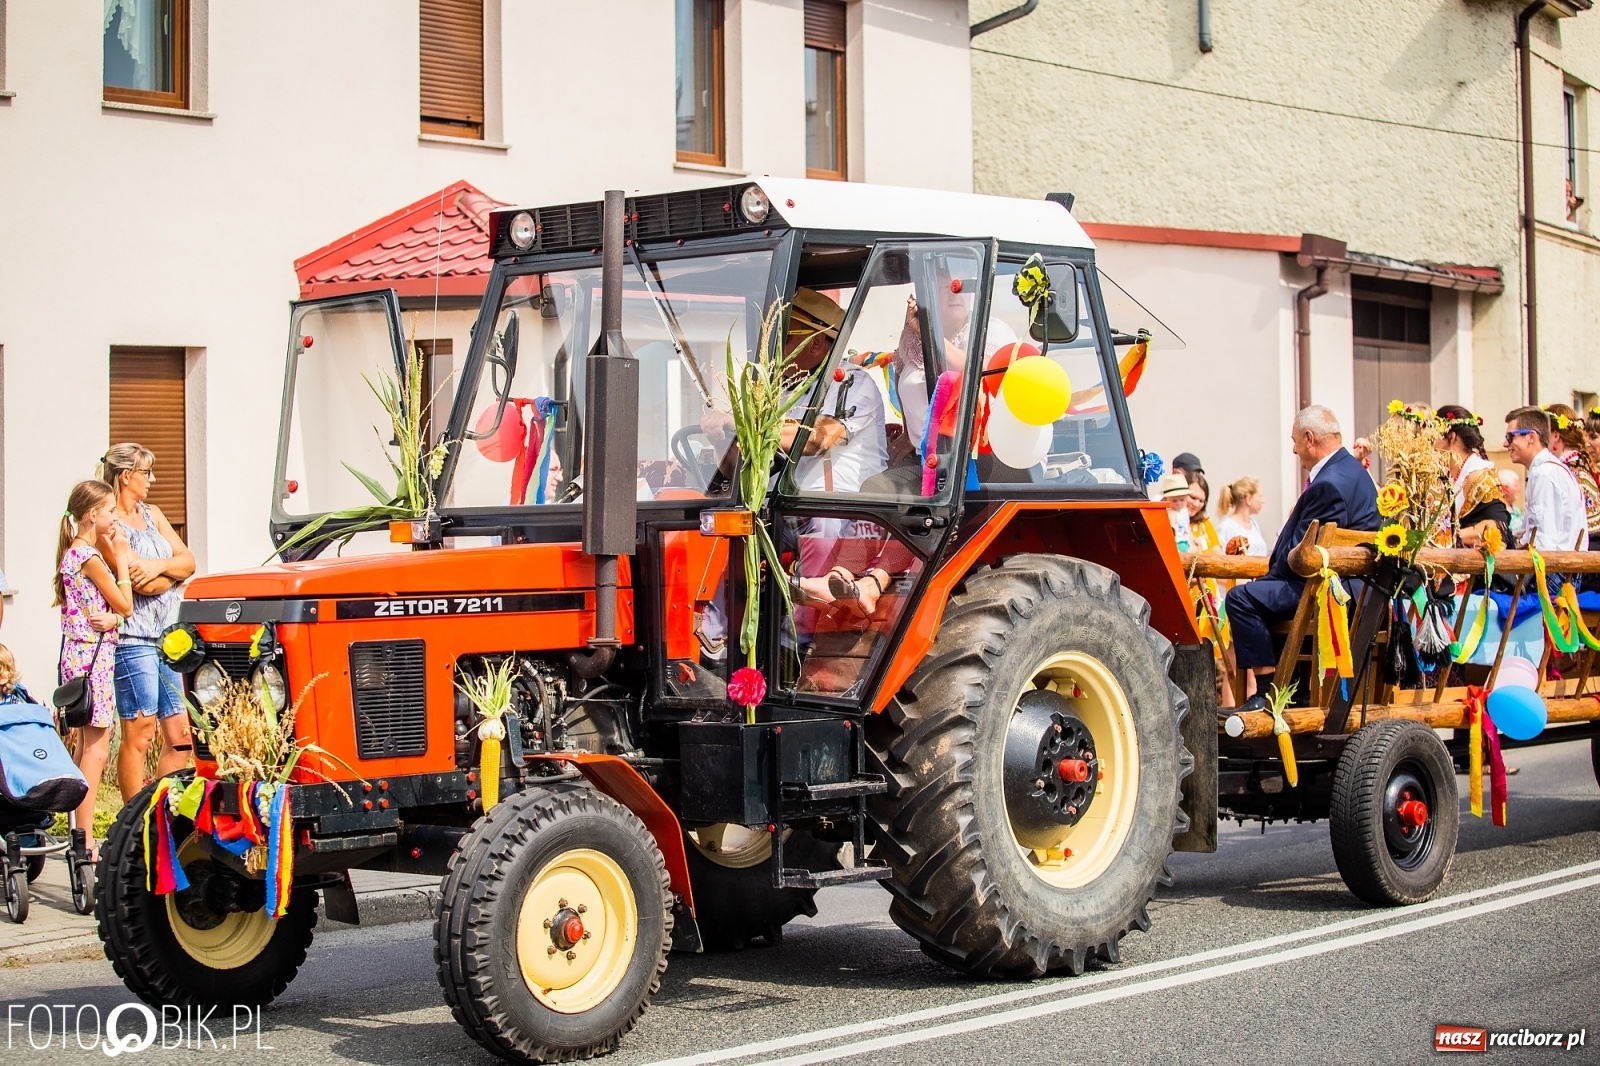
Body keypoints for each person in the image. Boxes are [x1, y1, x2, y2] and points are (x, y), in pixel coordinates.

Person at [1227, 406, 1379, 710]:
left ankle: (1270, 692)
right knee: (1261, 593)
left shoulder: (1329, 483)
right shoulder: (1354, 472)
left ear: (1310, 438)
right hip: (1354, 589)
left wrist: (1269, 577)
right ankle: (1295, 689)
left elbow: (1302, 556)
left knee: (1241, 599)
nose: (1294, 450)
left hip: (1330, 593)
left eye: (1295, 441)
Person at [101, 444, 196, 795]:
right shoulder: (108, 524)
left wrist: (160, 569)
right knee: (140, 732)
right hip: (133, 638)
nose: (152, 480)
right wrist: (169, 576)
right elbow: (134, 580)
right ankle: (133, 823)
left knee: (182, 734)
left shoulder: (153, 513)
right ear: (126, 476)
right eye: (146, 473)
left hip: (169, 636)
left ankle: (161, 813)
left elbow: (188, 561)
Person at [57, 479, 135, 860]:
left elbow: (109, 614)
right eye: (107, 511)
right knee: (97, 749)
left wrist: (111, 619)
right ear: (92, 515)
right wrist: (121, 558)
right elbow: (125, 605)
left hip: (82, 654)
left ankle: (79, 830)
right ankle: (84, 839)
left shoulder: (75, 553)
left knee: (88, 746)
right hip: (93, 658)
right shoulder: (88, 556)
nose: (112, 516)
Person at [1434, 406, 1511, 550]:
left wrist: (1449, 538)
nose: (1432, 445)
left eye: (1435, 437)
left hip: (1484, 567)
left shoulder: (1481, 476)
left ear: (1452, 437)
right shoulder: (1445, 474)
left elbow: (1497, 527)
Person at [1543, 403, 1600, 543]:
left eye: (1543, 434)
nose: (1587, 443)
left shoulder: (1572, 473)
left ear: (1556, 436)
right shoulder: (1575, 466)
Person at [1214, 476, 1267, 556]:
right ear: (1248, 499)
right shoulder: (1226, 528)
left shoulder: (1254, 524)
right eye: (1260, 496)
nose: (1263, 501)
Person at [1183, 472, 1219, 553]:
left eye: (1201, 501)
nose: (1196, 504)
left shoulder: (1205, 522)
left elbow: (1217, 551)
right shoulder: (1169, 522)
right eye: (1193, 497)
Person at [1159, 473, 1192, 551]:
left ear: (1187, 498)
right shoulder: (1170, 513)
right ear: (1167, 499)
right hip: (1177, 543)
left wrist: (1192, 538)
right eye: (1174, 500)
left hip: (1186, 540)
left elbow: (1186, 527)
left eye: (1182, 500)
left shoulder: (1185, 511)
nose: (1179, 503)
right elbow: (1167, 532)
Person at [1498, 467, 1525, 540]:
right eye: (1516, 486)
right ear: (1505, 489)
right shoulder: (1499, 511)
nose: (1519, 490)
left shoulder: (1516, 509)